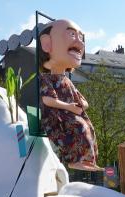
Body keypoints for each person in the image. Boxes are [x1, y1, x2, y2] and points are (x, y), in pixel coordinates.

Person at [39, 19, 103, 172]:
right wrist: (70, 107)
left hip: (70, 114)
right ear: (47, 44)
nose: (80, 43)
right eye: (72, 35)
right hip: (56, 117)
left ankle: (86, 159)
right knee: (79, 126)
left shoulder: (67, 80)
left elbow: (81, 99)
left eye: (81, 38)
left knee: (89, 127)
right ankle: (74, 159)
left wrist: (81, 106)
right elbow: (47, 99)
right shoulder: (45, 78)